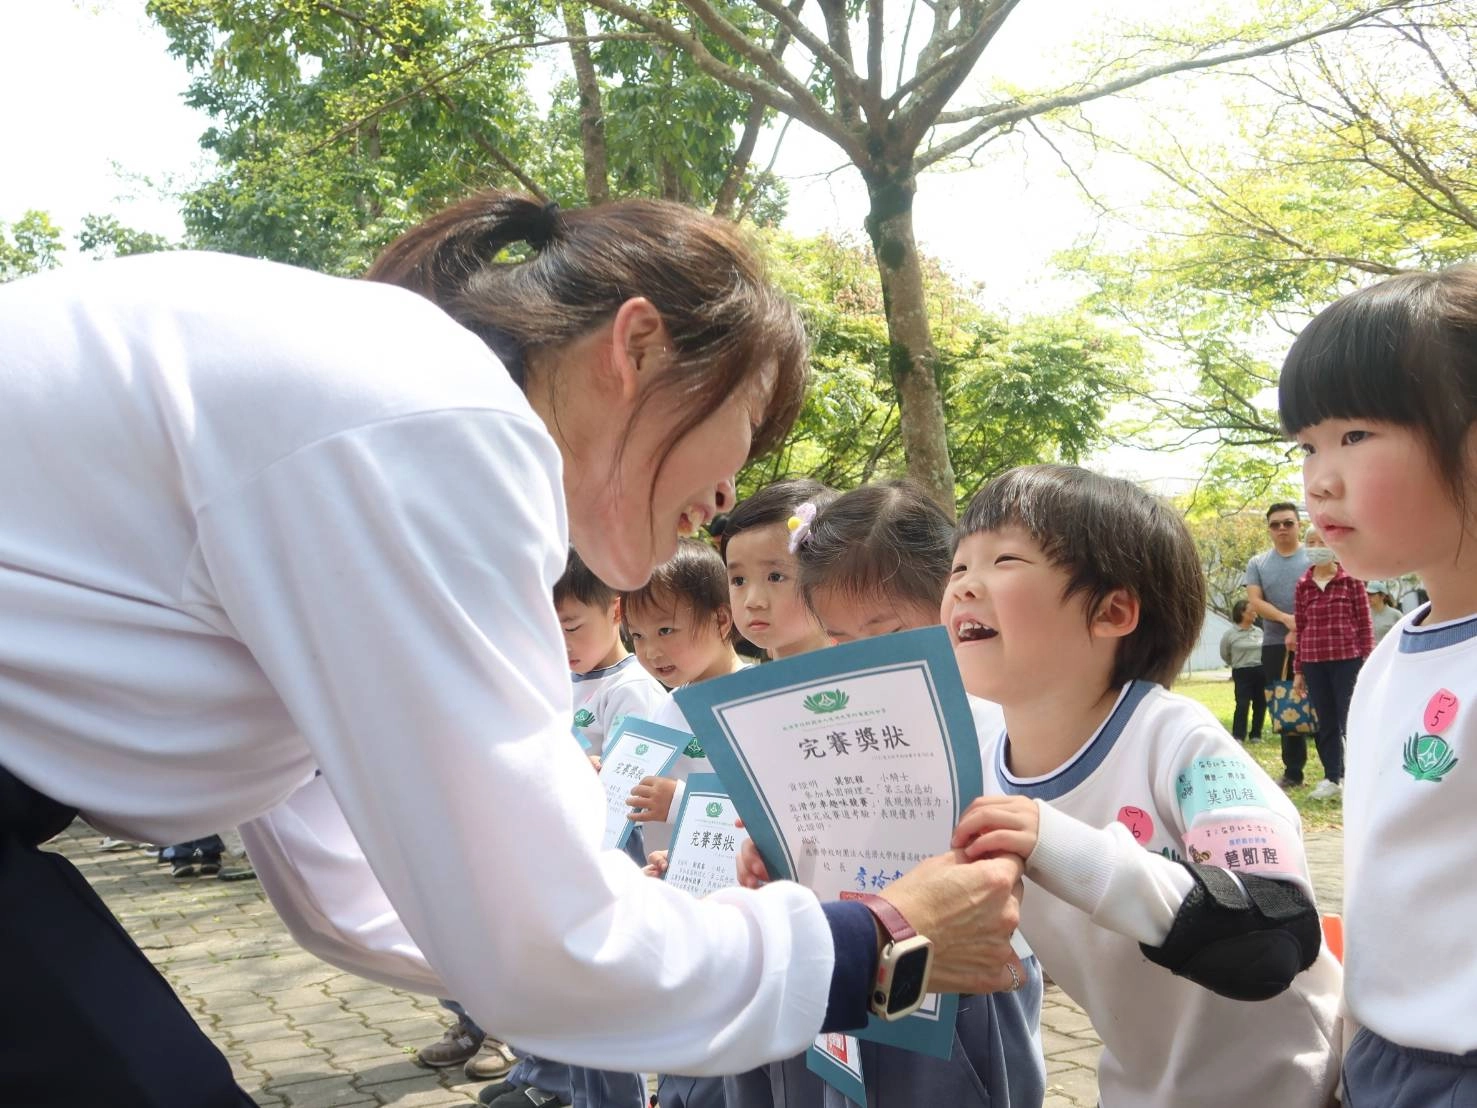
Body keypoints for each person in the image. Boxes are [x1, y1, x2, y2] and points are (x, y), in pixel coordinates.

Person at [0, 190, 1028, 1107]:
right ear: (635, 347)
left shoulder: (374, 411)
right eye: (744, 429)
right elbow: (537, 944)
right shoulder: (432, 420)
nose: (726, 498)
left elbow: (357, 891)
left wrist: (673, 931)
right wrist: (877, 938)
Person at [947, 465, 1341, 1108]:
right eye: (959, 566)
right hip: (1140, 1087)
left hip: (1291, 1087)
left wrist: (1068, 848)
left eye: (1004, 559)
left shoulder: (1175, 740)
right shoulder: (982, 764)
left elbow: (1273, 932)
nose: (964, 586)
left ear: (1113, 611)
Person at [742, 479, 1047, 1108]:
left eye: (887, 633)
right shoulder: (830, 728)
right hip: (856, 965)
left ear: (951, 602)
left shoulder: (998, 720)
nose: (863, 659)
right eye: (840, 639)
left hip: (964, 986)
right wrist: (773, 856)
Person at [1279, 263, 1477, 1106]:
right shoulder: (1396, 652)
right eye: (1307, 446)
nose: (1318, 479)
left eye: (1355, 436)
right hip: (1381, 1060)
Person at [621, 537, 747, 853]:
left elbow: (770, 811)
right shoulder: (670, 703)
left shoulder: (753, 703)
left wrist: (678, 801)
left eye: (665, 630)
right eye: (637, 635)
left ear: (720, 619)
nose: (650, 651)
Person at [1291, 529, 1373, 800]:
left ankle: (1360, 776)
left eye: (1321, 542)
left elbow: (1364, 623)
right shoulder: (1302, 584)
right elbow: (1300, 629)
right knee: (1325, 722)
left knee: (1351, 719)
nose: (1316, 547)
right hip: (1314, 661)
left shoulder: (1351, 580)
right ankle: (1331, 777)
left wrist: (1367, 660)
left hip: (1347, 659)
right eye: (1310, 543)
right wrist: (1299, 669)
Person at [720, 479, 837, 660]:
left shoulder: (867, 676)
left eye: (775, 577)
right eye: (738, 580)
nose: (752, 601)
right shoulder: (742, 685)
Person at [1244, 502, 1312, 786]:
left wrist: (1303, 624)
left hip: (1317, 639)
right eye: (1275, 524)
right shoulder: (1258, 563)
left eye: (1288, 522)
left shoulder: (1315, 556)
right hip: (1274, 643)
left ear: (1299, 525)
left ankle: (1336, 771)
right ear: (1269, 529)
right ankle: (1293, 771)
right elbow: (1255, 601)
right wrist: (1287, 620)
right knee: (1286, 703)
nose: (1282, 528)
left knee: (1322, 700)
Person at [1219, 599, 1265, 743]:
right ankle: (1239, 735)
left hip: (1260, 670)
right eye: (1251, 611)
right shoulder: (1230, 634)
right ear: (1242, 613)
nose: (1255, 614)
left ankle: (1256, 735)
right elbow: (1225, 653)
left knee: (1261, 703)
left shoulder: (1259, 631)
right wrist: (1236, 663)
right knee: (1242, 703)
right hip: (1242, 671)